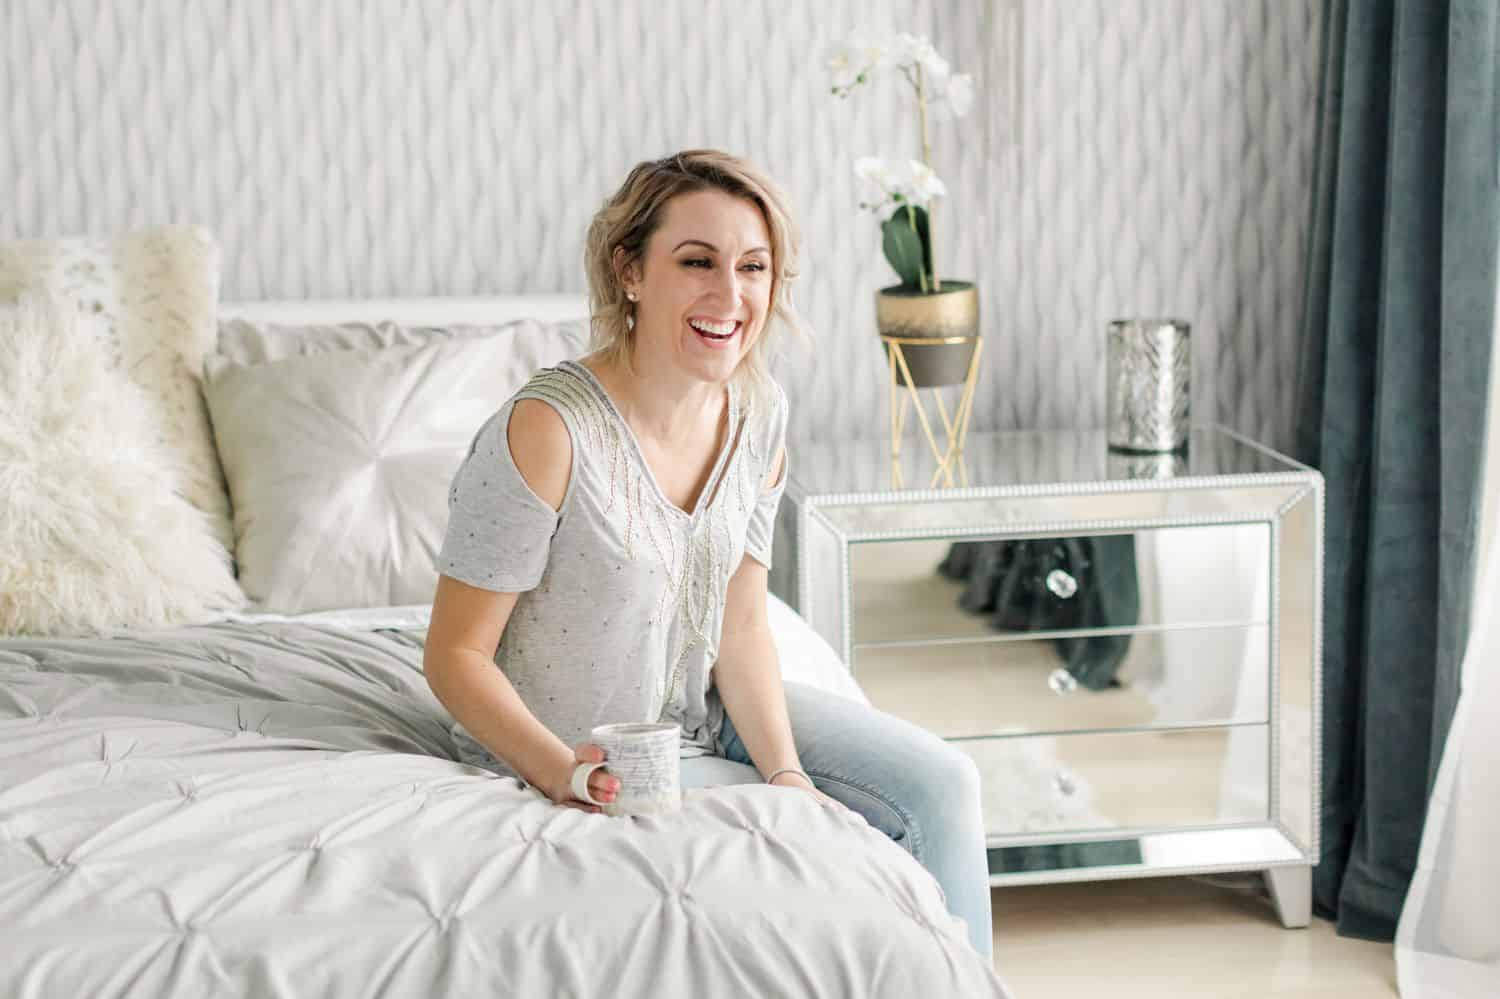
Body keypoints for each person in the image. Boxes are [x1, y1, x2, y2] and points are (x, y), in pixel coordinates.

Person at [422, 149, 994, 960]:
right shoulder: (547, 429)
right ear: (631, 271)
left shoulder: (760, 416)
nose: (731, 296)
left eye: (753, 267)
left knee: (943, 786)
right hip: (566, 751)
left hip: (701, 723)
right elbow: (455, 654)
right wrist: (561, 772)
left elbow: (741, 625)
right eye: (697, 262)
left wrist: (787, 773)